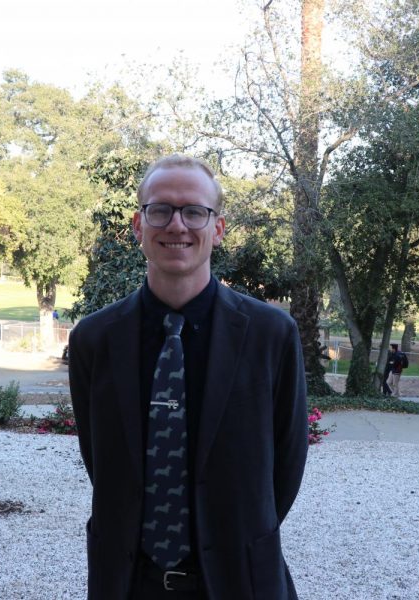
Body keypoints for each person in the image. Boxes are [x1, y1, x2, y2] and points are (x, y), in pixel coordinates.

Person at [69, 154, 308, 599]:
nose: (176, 225)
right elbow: (100, 462)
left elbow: (287, 464)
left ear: (217, 228)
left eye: (194, 211)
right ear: (139, 226)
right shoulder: (94, 340)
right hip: (126, 583)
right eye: (160, 210)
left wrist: (237, 536)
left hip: (240, 580)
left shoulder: (271, 336)